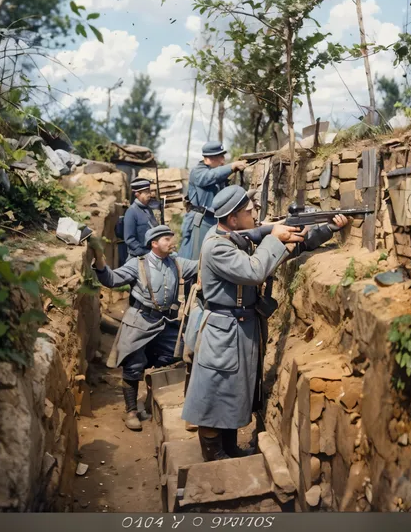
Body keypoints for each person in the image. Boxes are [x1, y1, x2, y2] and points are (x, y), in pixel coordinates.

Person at [181, 185, 349, 461]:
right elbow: (255, 270)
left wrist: (327, 228)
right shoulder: (217, 247)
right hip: (222, 329)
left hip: (241, 326)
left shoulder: (233, 235)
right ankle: (213, 456)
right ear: (233, 220)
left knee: (235, 389)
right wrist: (273, 236)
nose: (256, 214)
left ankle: (231, 448)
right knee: (215, 392)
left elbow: (285, 251)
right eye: (249, 211)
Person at [89, 225, 198, 431]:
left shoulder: (177, 263)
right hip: (139, 321)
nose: (172, 242)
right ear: (154, 243)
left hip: (164, 323)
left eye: (171, 238)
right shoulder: (137, 264)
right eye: (167, 239)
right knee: (133, 365)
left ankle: (152, 394)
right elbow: (111, 279)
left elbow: (202, 265)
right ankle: (131, 410)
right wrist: (99, 256)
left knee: (182, 353)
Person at [179, 141, 247, 260]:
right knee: (195, 257)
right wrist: (231, 167)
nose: (223, 161)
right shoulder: (198, 172)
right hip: (200, 221)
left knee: (211, 254)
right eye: (220, 157)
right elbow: (209, 177)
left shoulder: (216, 172)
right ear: (210, 158)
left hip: (212, 220)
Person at [123, 177, 159, 259]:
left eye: (149, 191)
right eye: (146, 192)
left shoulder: (148, 209)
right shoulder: (131, 211)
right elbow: (129, 239)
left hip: (151, 254)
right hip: (138, 258)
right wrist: (146, 252)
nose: (149, 194)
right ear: (137, 194)